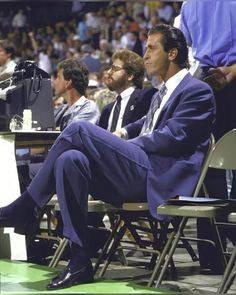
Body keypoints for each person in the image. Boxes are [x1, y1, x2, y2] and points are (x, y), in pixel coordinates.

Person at [0, 24, 215, 290]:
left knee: (79, 129)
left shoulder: (198, 91)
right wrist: (124, 132)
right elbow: (148, 124)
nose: (145, 54)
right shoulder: (162, 91)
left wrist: (119, 142)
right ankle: (79, 260)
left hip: (157, 177)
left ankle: (27, 206)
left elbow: (171, 137)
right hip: (136, 170)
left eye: (151, 48)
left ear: (172, 53)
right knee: (71, 161)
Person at [180, 0, 236, 273]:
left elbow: (190, 46)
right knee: (224, 163)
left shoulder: (189, 5)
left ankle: (210, 255)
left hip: (207, 82)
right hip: (227, 77)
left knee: (210, 166)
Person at [98, 48, 156, 131]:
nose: (108, 72)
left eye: (115, 69)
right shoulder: (107, 110)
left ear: (130, 76)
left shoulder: (146, 97)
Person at [52, 58, 100, 130]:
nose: (54, 82)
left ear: (68, 83)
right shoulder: (61, 109)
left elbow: (72, 135)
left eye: (58, 77)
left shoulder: (88, 108)